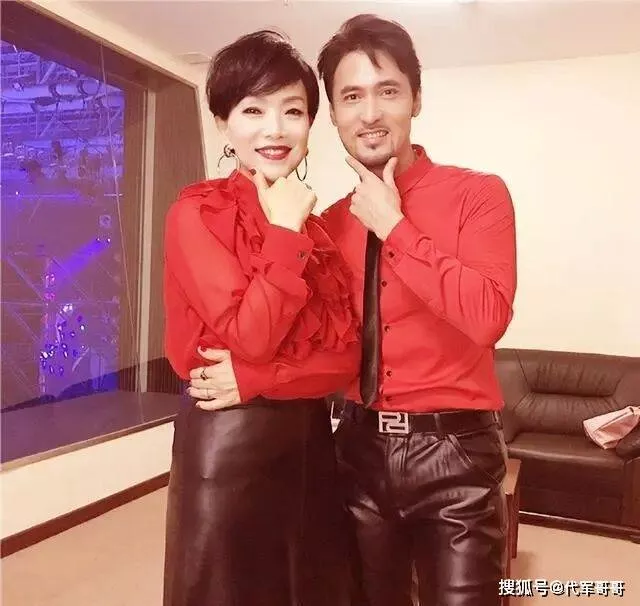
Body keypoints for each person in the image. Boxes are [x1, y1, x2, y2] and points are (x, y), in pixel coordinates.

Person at [192, 14, 517, 606]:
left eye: (387, 91)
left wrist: (394, 226)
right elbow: (324, 351)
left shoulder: (478, 194)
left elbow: (487, 316)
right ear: (333, 116)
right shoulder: (325, 224)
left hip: (455, 453)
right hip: (356, 450)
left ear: (416, 99)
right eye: (351, 97)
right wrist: (256, 376)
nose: (370, 113)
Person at [162, 30, 359, 606]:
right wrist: (285, 231)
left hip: (310, 442)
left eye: (292, 111)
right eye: (253, 110)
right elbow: (251, 335)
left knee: (315, 589)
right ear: (223, 123)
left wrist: (257, 377)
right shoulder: (196, 213)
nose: (275, 129)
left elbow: (348, 361)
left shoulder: (320, 230)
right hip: (229, 442)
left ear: (310, 125)